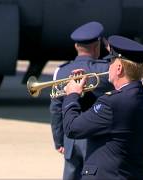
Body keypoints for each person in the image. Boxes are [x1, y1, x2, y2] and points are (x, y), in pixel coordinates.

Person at [62, 35, 143, 179]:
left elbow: (72, 128)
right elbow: (112, 123)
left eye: (111, 62)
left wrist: (72, 95)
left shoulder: (112, 102)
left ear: (119, 68)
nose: (109, 66)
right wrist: (85, 94)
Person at [49, 21, 114, 180]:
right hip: (98, 141)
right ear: (96, 46)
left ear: (76, 47)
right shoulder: (106, 69)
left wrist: (60, 141)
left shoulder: (61, 71)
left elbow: (56, 109)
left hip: (71, 140)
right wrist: (112, 51)